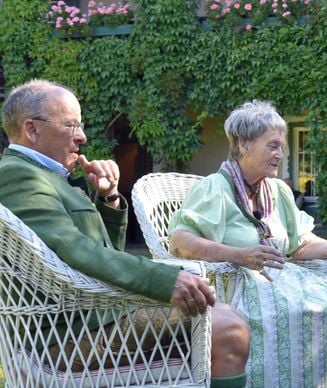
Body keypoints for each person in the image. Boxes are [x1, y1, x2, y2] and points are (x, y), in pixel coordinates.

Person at [0, 79, 249, 387]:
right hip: (65, 338)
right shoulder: (18, 175)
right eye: (71, 125)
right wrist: (166, 279)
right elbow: (75, 252)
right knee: (227, 327)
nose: (82, 136)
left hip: (96, 318)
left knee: (222, 316)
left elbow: (98, 252)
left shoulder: (49, 177)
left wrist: (109, 198)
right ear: (32, 129)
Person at [167, 99, 327, 387]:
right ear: (244, 145)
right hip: (235, 290)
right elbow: (181, 240)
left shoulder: (276, 190)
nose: (280, 154)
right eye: (272, 146)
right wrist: (239, 255)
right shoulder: (216, 188)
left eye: (281, 147)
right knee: (283, 317)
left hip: (285, 285)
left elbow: (298, 245)